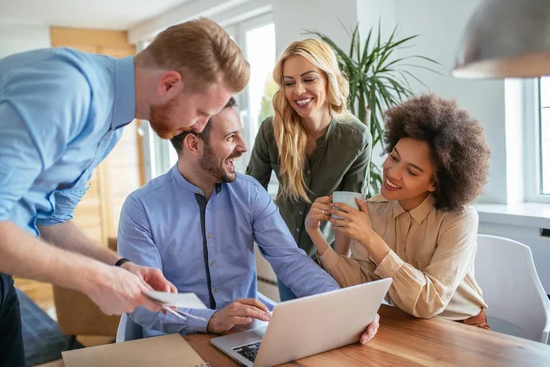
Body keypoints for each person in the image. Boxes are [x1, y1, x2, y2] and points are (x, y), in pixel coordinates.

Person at [0, 17, 250, 366]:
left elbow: (53, 220)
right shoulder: (67, 89)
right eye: (201, 112)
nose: (199, 126)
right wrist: (96, 279)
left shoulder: (111, 120)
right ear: (169, 84)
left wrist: (121, 266)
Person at [118, 98, 379, 341]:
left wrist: (348, 307)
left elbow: (290, 260)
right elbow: (145, 301)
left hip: (242, 336)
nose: (243, 147)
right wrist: (210, 320)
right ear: (193, 145)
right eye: (231, 137)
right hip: (173, 342)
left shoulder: (250, 192)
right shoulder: (141, 207)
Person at [305, 94, 491, 329]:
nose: (392, 173)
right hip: (403, 324)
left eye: (412, 172)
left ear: (435, 183)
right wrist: (315, 234)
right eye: (394, 157)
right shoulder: (373, 209)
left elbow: (428, 303)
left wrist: (370, 238)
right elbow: (362, 281)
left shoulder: (460, 218)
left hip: (461, 326)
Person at [246, 38, 372, 301]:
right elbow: (251, 192)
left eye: (309, 79)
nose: (298, 91)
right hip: (285, 254)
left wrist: (339, 266)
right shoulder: (272, 131)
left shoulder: (356, 137)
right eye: (289, 82)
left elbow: (348, 210)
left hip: (327, 254)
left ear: (328, 79)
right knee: (299, 332)